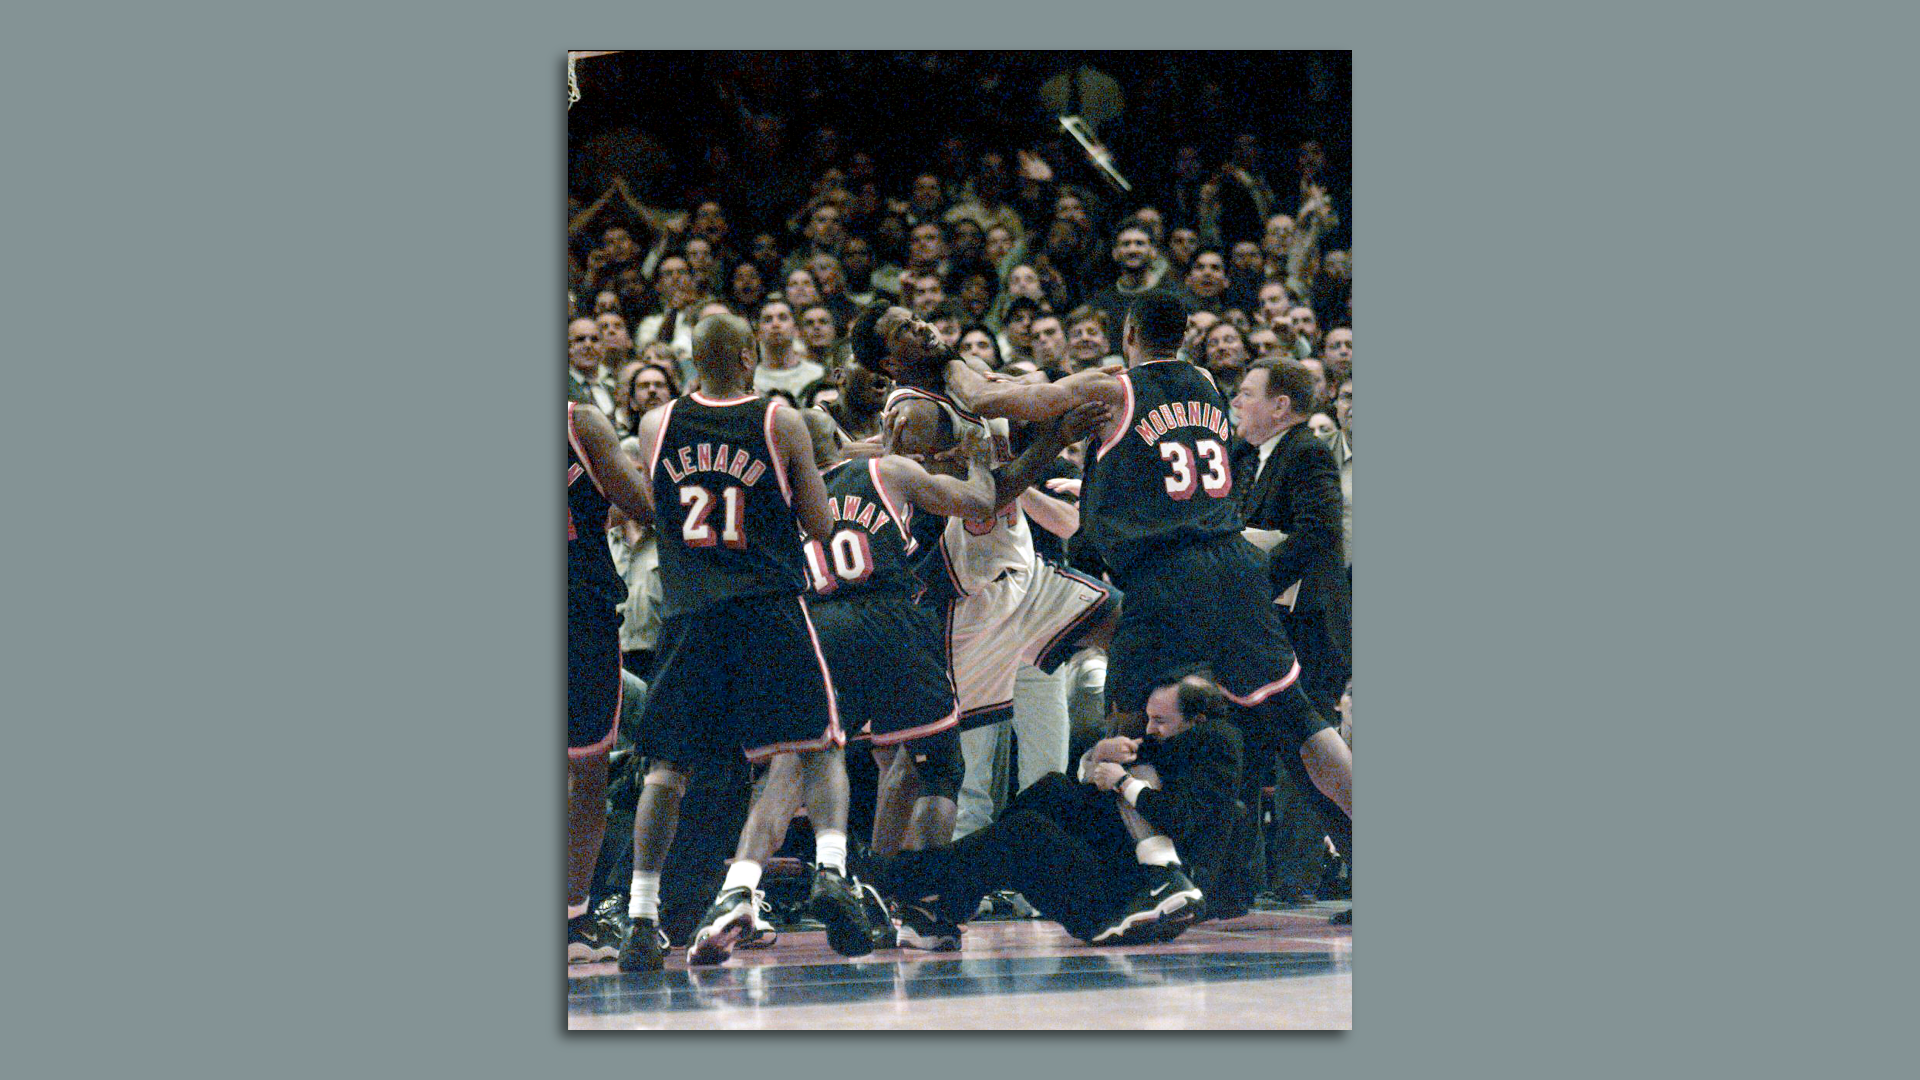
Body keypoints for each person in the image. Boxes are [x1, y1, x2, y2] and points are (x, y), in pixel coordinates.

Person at [942, 292, 1354, 917]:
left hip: (1166, 577)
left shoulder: (1114, 388)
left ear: (1128, 333)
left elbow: (993, 400)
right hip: (1233, 566)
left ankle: (1156, 874)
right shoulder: (1208, 383)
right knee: (1301, 722)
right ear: (1184, 336)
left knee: (1123, 733)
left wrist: (945, 360)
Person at [615, 313, 870, 973]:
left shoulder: (656, 423)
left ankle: (640, 917)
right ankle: (833, 871)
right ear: (751, 354)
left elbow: (653, 508)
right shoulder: (780, 419)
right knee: (820, 744)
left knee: (667, 770)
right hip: (766, 607)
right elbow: (821, 523)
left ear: (691, 361)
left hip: (689, 614)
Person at [876, 673, 1239, 945]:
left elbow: (1179, 818)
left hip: (1133, 896)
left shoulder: (1215, 747)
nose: (1149, 729)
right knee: (1052, 789)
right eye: (1148, 718)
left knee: (1024, 834)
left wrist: (1123, 782)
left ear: (1197, 722)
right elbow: (1096, 796)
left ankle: (891, 879)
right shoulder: (1170, 744)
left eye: (1160, 721)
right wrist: (1098, 758)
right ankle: (941, 908)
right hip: (1122, 874)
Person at [1228, 358, 1354, 905]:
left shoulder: (1306, 452)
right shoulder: (1246, 457)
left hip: (1311, 631)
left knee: (1309, 764)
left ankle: (1297, 880)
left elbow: (1319, 535)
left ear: (1280, 406)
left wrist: (1252, 575)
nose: (1236, 402)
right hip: (1266, 631)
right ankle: (1239, 881)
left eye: (1247, 393)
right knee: (1255, 757)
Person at [565, 402, 661, 964]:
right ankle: (572, 921)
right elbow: (645, 505)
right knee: (586, 771)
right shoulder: (579, 423)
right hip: (578, 612)